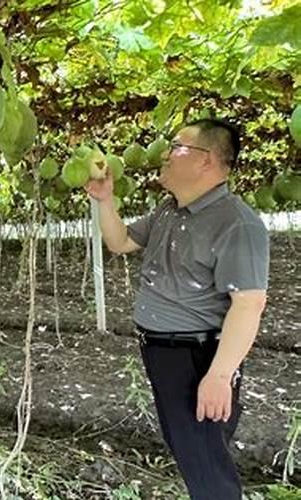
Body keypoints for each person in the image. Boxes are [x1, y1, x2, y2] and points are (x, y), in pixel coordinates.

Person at [85, 118, 269, 500]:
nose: (166, 154)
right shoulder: (169, 211)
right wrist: (104, 200)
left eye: (177, 146)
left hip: (198, 356)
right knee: (194, 451)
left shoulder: (237, 223)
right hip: (165, 353)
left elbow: (249, 303)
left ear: (207, 160)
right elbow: (120, 242)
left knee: (204, 464)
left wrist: (219, 376)